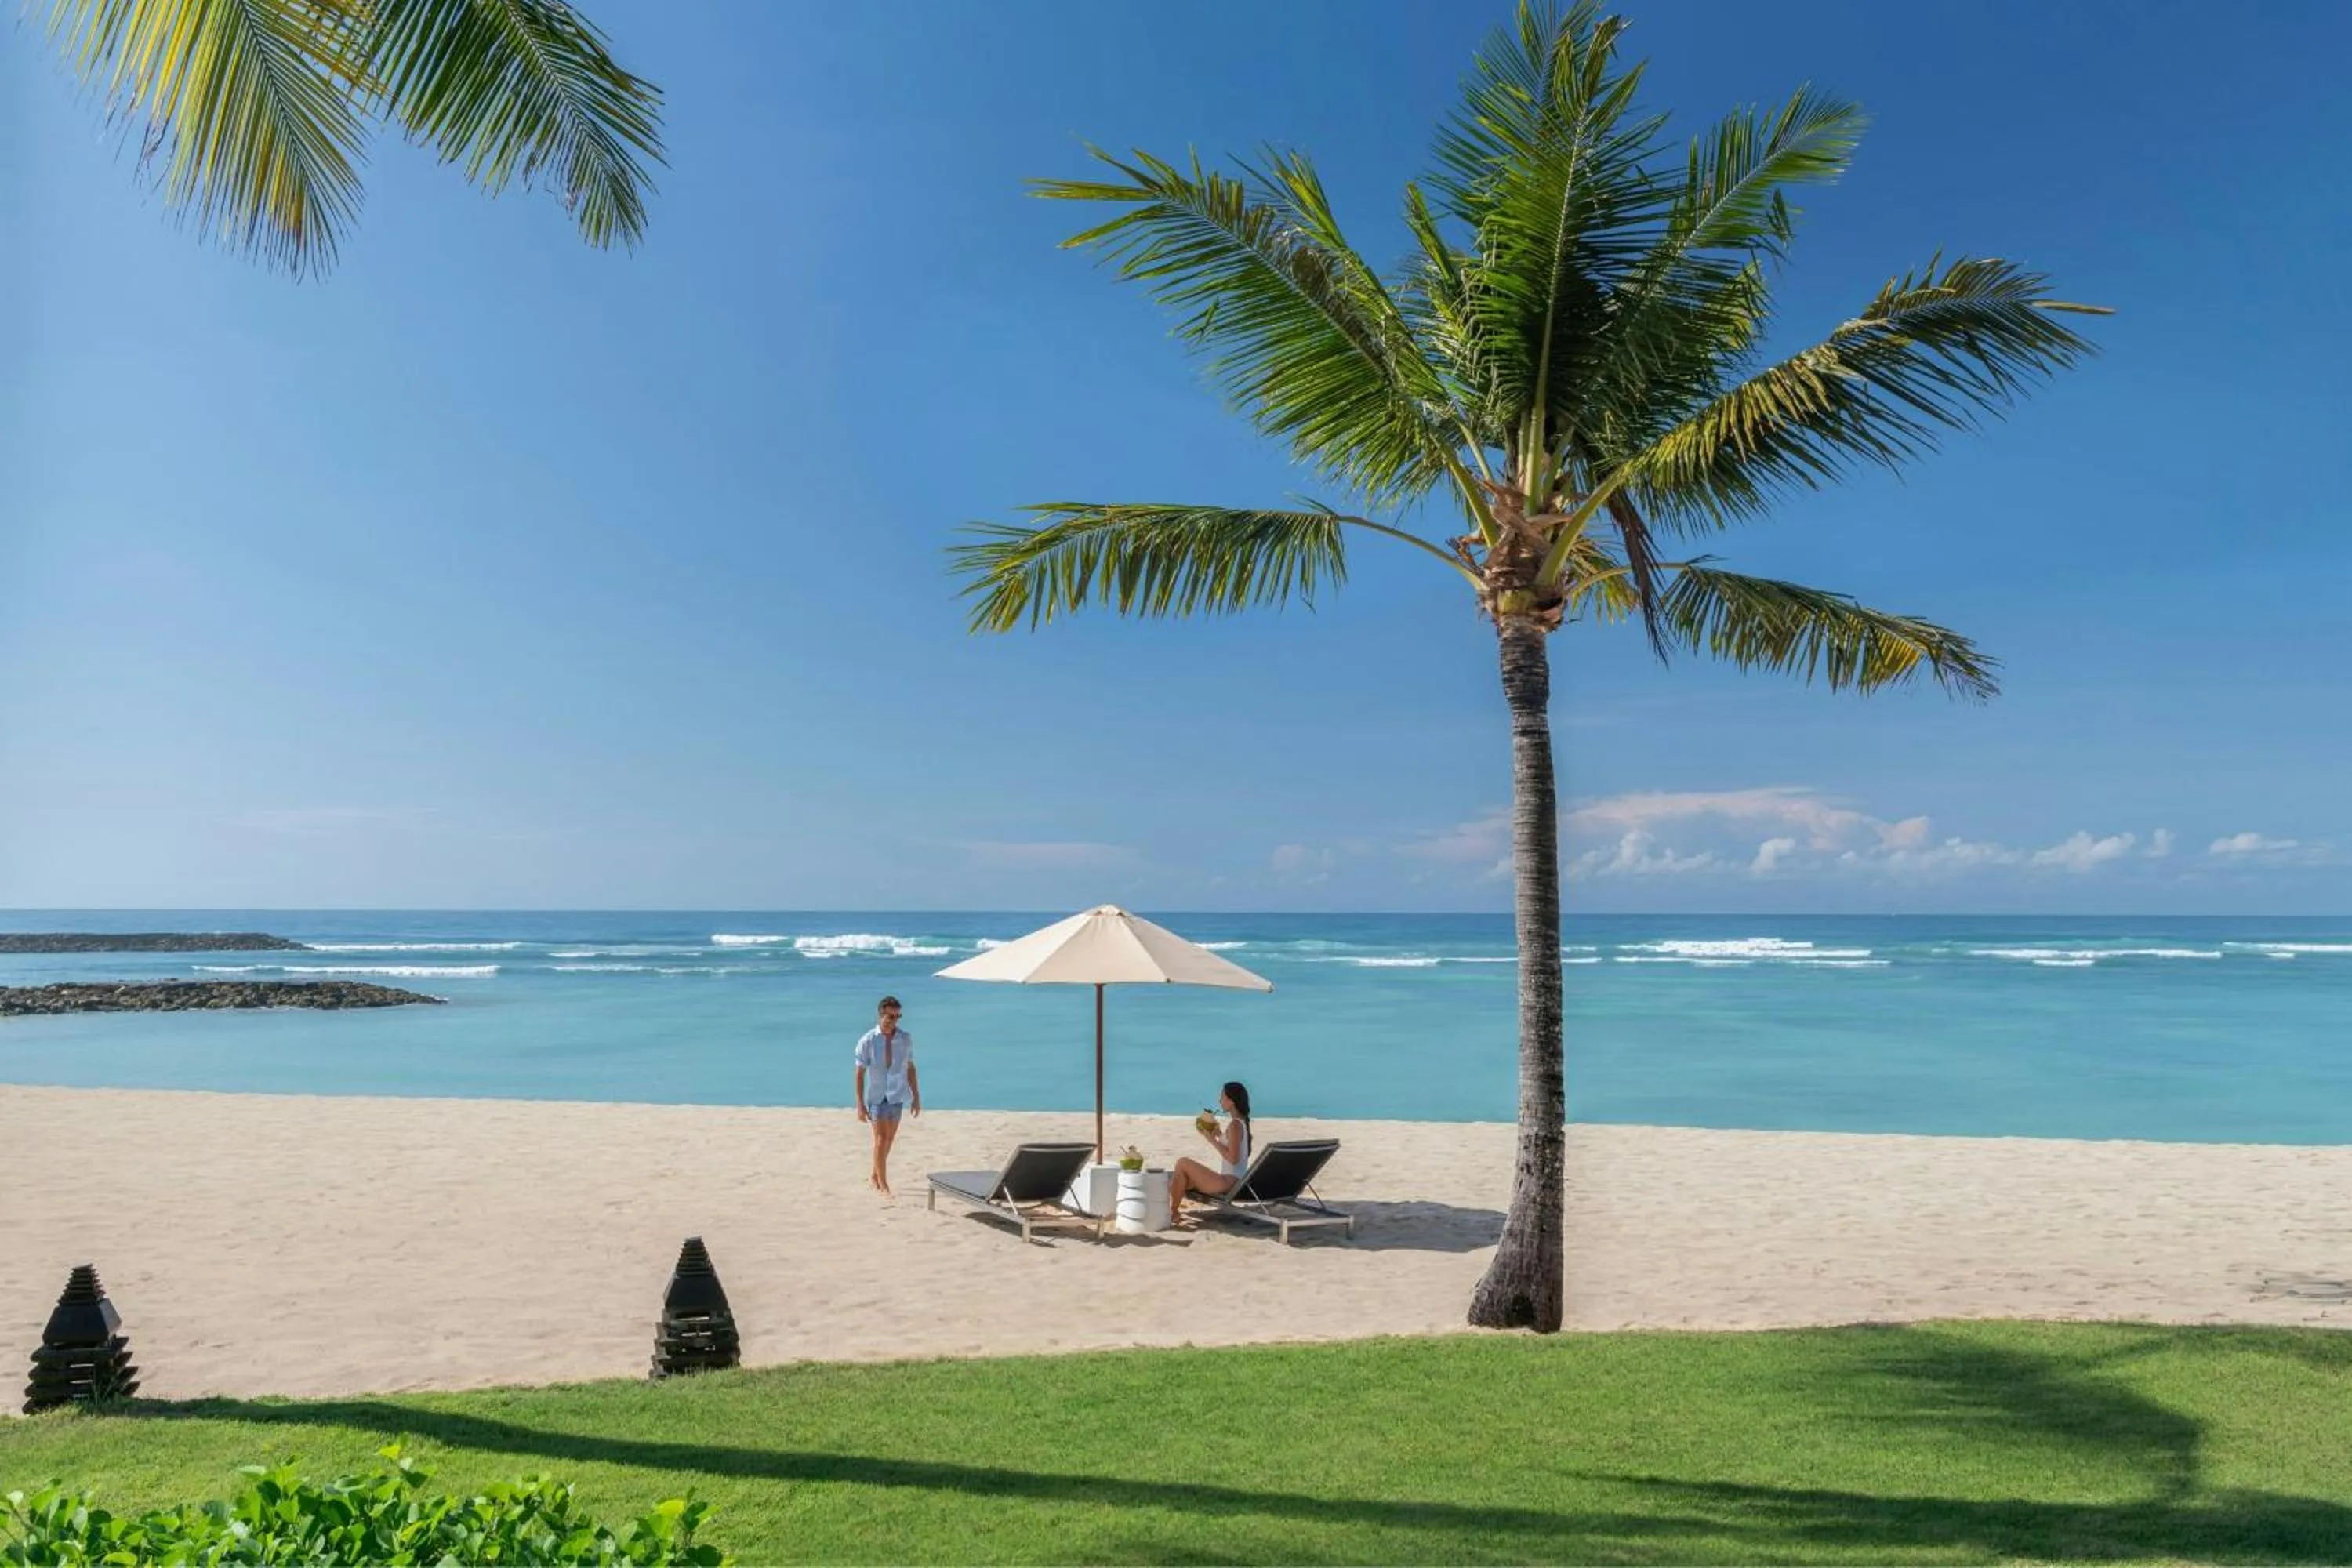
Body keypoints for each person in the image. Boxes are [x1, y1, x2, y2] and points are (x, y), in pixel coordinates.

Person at [853, 995, 920, 1193]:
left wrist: (916, 1097)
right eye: (890, 1017)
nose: (894, 1021)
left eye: (898, 1017)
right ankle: (883, 1184)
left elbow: (910, 1068)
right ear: (881, 1015)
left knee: (889, 1139)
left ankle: (874, 1176)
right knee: (881, 1139)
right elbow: (859, 1073)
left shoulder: (905, 1038)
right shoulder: (868, 1041)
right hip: (877, 1096)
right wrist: (859, 1104)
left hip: (897, 1095)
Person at [1167, 1080, 1251, 1221]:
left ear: (1231, 1101)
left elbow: (1233, 1158)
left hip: (1227, 1183)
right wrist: (1218, 1134)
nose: (1220, 1100)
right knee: (1181, 1178)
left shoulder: (1235, 1125)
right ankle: (1172, 1212)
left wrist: (1211, 1140)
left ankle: (1172, 1212)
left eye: (1222, 1097)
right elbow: (1236, 1150)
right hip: (1230, 1181)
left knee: (1182, 1163)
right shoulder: (1240, 1123)